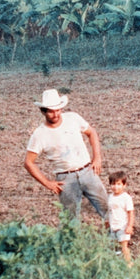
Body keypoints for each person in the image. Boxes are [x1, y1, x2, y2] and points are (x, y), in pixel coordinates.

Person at [24, 88, 108, 223]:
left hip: (88, 171)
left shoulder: (73, 118)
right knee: (70, 220)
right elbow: (29, 162)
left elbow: (92, 132)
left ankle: (119, 241)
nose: (55, 114)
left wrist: (97, 158)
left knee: (108, 209)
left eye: (58, 110)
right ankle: (74, 243)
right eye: (51, 111)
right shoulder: (39, 134)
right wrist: (48, 183)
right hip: (65, 178)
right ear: (43, 111)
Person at [106, 170, 135, 265]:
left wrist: (130, 226)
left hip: (122, 226)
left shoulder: (126, 198)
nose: (115, 187)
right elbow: (110, 210)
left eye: (118, 184)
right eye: (113, 184)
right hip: (113, 226)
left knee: (124, 246)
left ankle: (129, 264)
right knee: (114, 246)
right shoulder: (110, 197)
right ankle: (117, 264)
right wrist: (107, 221)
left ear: (124, 185)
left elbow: (130, 212)